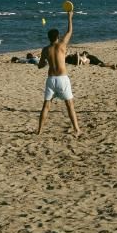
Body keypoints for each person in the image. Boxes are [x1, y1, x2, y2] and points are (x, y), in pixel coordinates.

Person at [35, 7, 81, 137]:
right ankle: (77, 129)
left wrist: (44, 62)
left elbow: (40, 66)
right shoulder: (62, 45)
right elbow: (70, 31)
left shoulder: (45, 49)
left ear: (49, 38)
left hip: (50, 79)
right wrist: (69, 17)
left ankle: (39, 131)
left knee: (46, 106)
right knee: (69, 104)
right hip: (62, 79)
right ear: (57, 37)